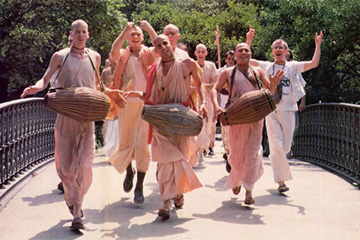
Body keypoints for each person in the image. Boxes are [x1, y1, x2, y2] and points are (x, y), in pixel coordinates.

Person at [21, 19, 126, 231]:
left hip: (86, 120)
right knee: (67, 168)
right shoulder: (60, 56)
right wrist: (37, 88)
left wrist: (110, 92)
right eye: (77, 31)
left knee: (85, 165)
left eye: (84, 32)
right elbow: (46, 79)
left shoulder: (94, 56)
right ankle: (71, 199)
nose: (80, 35)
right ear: (71, 33)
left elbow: (97, 86)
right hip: (66, 118)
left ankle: (77, 213)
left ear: (88, 35)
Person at [125, 34, 208, 219]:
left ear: (171, 44)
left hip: (182, 120)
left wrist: (203, 103)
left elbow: (200, 84)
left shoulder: (187, 64)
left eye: (165, 43)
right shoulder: (154, 69)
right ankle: (166, 202)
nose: (164, 47)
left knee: (179, 158)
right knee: (164, 162)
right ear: (156, 50)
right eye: (159, 45)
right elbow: (150, 95)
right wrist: (134, 95)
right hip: (162, 120)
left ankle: (178, 192)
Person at [247, 26, 323, 193]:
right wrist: (249, 41)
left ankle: (281, 170)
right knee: (275, 146)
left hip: (288, 110)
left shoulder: (293, 67)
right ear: (272, 51)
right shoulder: (266, 66)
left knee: (286, 147)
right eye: (275, 47)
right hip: (271, 110)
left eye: (281, 47)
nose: (278, 49)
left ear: (286, 51)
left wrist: (317, 45)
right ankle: (281, 182)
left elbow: (313, 63)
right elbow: (248, 60)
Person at [211, 42, 283, 205]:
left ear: (250, 54)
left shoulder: (258, 72)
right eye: (240, 50)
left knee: (252, 153)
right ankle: (236, 179)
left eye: (246, 50)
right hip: (236, 116)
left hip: (256, 117)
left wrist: (274, 84)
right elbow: (214, 89)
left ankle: (249, 191)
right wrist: (216, 106)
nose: (243, 52)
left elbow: (270, 92)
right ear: (235, 55)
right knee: (236, 155)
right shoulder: (228, 73)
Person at [109, 20, 157, 204]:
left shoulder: (150, 53)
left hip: (146, 103)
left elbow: (159, 45)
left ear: (142, 38)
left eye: (138, 34)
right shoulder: (123, 55)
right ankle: (129, 170)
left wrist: (149, 28)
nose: (135, 37)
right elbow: (114, 51)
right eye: (132, 35)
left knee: (143, 145)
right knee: (126, 142)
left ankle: (139, 186)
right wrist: (124, 30)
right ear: (128, 38)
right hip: (125, 103)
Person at [194, 44, 218, 157]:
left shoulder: (211, 65)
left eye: (202, 52)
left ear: (206, 53)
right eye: (198, 52)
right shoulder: (192, 65)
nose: (200, 54)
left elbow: (216, 83)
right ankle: (199, 147)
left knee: (209, 123)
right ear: (195, 53)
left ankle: (209, 146)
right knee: (198, 122)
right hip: (195, 97)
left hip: (208, 98)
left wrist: (203, 87)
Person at [285, 50, 307, 159]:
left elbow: (302, 86)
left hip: (292, 104)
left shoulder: (295, 69)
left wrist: (303, 102)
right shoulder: (274, 68)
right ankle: (282, 150)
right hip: (278, 104)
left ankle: (288, 148)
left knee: (294, 127)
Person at [217, 50, 235, 165]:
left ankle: (232, 154)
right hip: (223, 105)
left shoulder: (240, 71)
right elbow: (217, 88)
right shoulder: (220, 72)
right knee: (225, 131)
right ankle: (228, 151)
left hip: (236, 105)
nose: (231, 61)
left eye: (233, 59)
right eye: (229, 58)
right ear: (225, 60)